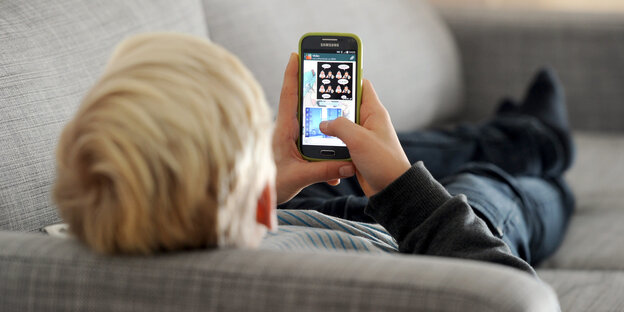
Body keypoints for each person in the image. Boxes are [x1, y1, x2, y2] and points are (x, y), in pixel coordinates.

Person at [54, 33, 574, 277]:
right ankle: (540, 149)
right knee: (490, 186)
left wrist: (269, 186)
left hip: (310, 217)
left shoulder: (88, 234)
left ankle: (524, 136)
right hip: (437, 233)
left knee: (354, 155)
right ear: (256, 207)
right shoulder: (310, 291)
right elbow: (510, 296)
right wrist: (405, 193)